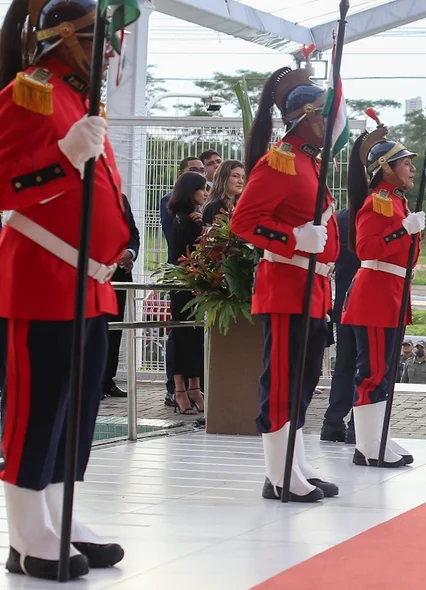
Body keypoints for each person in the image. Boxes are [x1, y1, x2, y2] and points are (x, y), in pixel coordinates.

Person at [0, 0, 130, 577]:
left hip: (91, 285)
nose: (111, 52)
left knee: (77, 410)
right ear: (65, 41)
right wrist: (61, 158)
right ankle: (27, 532)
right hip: (43, 279)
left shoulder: (81, 101)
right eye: (102, 40)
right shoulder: (31, 91)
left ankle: (60, 512)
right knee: (38, 408)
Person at [230, 64, 340, 502]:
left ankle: (294, 461)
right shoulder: (279, 161)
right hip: (285, 284)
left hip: (313, 288)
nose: (331, 123)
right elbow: (244, 221)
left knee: (305, 378)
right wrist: (293, 237)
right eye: (324, 115)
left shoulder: (309, 164)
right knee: (281, 381)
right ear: (305, 117)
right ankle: (277, 474)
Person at [339, 124, 426, 469]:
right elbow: (365, 248)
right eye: (406, 162)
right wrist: (401, 230)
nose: (412, 169)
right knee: (373, 372)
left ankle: (377, 437)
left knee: (385, 372)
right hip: (374, 295)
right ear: (386, 168)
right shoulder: (377, 203)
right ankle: (367, 446)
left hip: (392, 294)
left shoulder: (397, 203)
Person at [160, 155, 205, 408]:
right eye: (201, 189)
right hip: (182, 281)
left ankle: (194, 387)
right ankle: (179, 389)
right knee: (181, 334)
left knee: (194, 335)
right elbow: (189, 250)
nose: (205, 193)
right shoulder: (179, 217)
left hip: (195, 283)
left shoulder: (195, 217)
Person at [322, 203, 360, 444]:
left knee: (345, 365)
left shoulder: (340, 218)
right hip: (370, 300)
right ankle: (358, 426)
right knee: (369, 368)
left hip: (345, 300)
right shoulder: (379, 213)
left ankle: (333, 422)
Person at [103, 195, 140, 399]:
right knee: (93, 328)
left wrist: (130, 253)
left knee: (115, 328)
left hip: (119, 273)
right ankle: (90, 382)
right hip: (92, 273)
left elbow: (133, 232)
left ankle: (107, 380)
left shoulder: (122, 198)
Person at [160, 156, 205, 252]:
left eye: (202, 170)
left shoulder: (201, 200)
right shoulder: (170, 201)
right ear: (180, 174)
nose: (199, 173)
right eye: (193, 170)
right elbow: (172, 238)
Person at [201, 159, 245, 225]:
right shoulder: (214, 206)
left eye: (243, 177)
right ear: (223, 178)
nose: (241, 181)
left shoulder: (239, 204)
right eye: (235, 176)